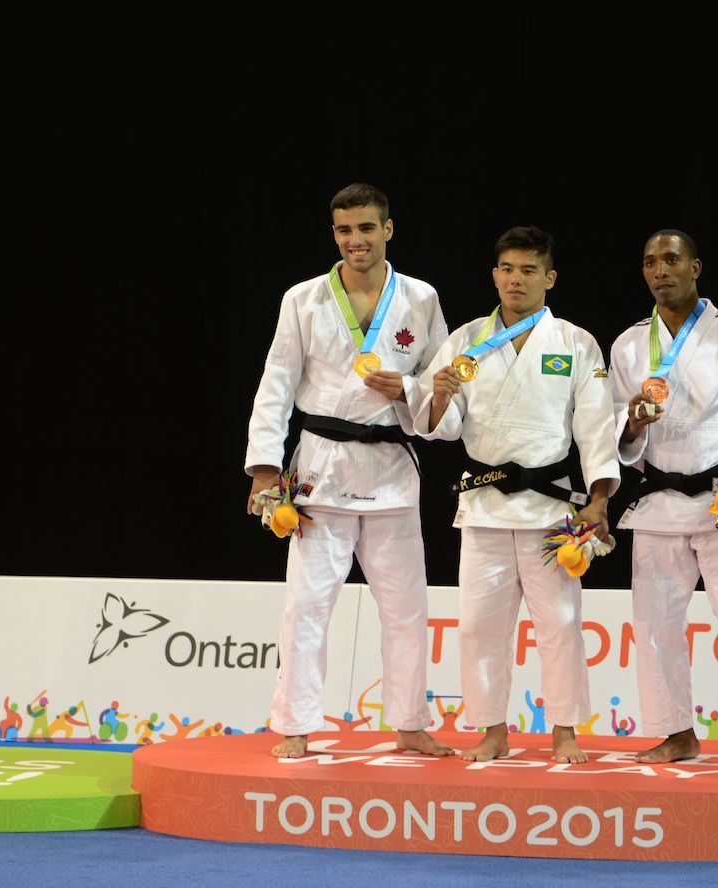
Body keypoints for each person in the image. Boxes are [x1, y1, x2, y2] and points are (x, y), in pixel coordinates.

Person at [244, 182, 451, 759]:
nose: (355, 240)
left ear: (389, 229)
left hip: (390, 468)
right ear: (334, 234)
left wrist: (408, 388)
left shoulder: (421, 298)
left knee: (407, 607)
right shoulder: (303, 299)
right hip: (320, 470)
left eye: (366, 228)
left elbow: (442, 381)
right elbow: (277, 383)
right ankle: (296, 724)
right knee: (307, 605)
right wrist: (264, 469)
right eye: (344, 230)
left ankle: (410, 723)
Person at [416, 225, 619, 764]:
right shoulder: (464, 341)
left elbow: (596, 428)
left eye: (529, 270)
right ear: (494, 275)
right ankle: (491, 729)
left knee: (560, 625)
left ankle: (565, 731)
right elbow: (448, 426)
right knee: (480, 626)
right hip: (483, 503)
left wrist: (598, 500)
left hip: (552, 508)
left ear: (549, 278)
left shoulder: (575, 342)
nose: (516, 279)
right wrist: (438, 400)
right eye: (507, 269)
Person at [609, 229, 718, 767]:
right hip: (659, 500)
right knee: (657, 626)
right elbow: (617, 431)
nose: (660, 270)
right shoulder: (628, 343)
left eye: (671, 260)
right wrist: (632, 423)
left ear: (696, 267)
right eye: (649, 262)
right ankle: (675, 733)